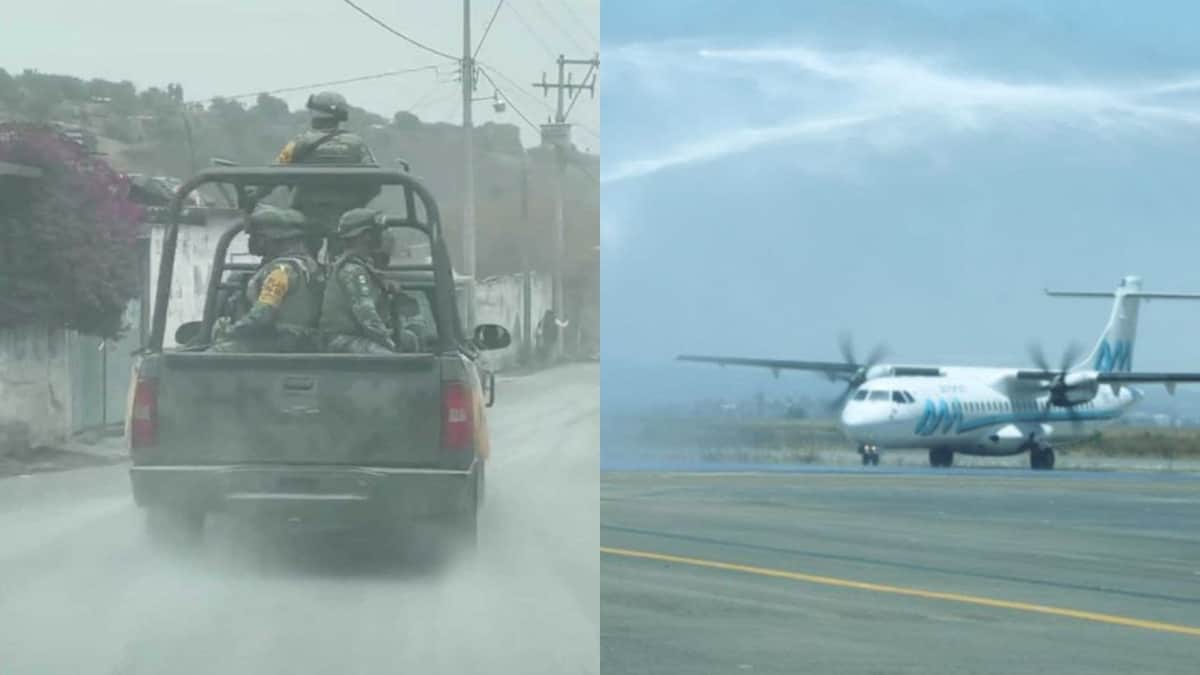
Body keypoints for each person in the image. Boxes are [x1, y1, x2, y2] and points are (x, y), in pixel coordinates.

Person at [271, 91, 380, 255]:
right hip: (347, 218)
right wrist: (358, 203)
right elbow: (375, 183)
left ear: (314, 114)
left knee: (299, 257)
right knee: (348, 258)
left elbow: (273, 173)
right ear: (340, 116)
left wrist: (251, 197)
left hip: (306, 215)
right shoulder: (356, 144)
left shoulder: (299, 142)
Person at [209, 205, 324, 352]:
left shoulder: (281, 271)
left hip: (279, 342)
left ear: (269, 238)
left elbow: (262, 315)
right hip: (306, 342)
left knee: (212, 354)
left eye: (256, 236)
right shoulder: (312, 267)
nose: (253, 242)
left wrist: (230, 331)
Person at [318, 208, 401, 354]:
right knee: (391, 359)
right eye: (378, 231)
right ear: (367, 235)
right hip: (339, 339)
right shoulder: (353, 270)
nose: (382, 235)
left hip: (348, 338)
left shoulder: (360, 266)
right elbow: (367, 317)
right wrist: (390, 343)